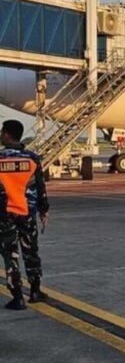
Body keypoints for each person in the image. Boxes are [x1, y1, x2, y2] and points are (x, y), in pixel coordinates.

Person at [0, 119, 50, 310]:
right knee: (31, 252)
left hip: (5, 215)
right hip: (27, 212)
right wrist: (44, 209)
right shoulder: (32, 158)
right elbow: (40, 187)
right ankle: (36, 291)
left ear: (6, 134)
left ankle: (17, 297)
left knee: (10, 256)